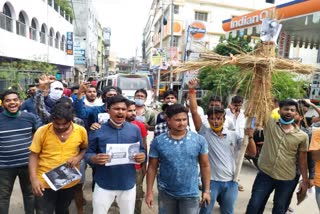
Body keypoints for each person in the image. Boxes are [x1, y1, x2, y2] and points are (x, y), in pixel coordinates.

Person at [187, 79, 256, 214]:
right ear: (208, 119)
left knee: (228, 211)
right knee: (205, 211)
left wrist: (251, 135)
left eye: (219, 118)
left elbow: (252, 153)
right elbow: (194, 111)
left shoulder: (233, 135)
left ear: (225, 119)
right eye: (212, 118)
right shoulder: (204, 132)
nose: (216, 121)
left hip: (231, 182)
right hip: (211, 182)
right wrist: (192, 90)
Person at [246, 99, 309, 214]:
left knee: (279, 209)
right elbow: (257, 111)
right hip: (265, 174)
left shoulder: (302, 136)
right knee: (254, 206)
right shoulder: (270, 123)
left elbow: (302, 159)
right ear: (279, 111)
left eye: (292, 110)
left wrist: (305, 181)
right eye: (286, 109)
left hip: (287, 179)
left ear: (295, 114)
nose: (289, 112)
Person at [85, 95, 146, 214]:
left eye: (123, 109)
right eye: (116, 109)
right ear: (107, 110)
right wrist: (94, 158)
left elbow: (142, 150)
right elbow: (88, 153)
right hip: (104, 183)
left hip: (127, 183)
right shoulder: (97, 130)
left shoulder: (134, 130)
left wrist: (142, 156)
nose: (120, 112)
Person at [145, 104, 211, 214]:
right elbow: (152, 167)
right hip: (166, 193)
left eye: (184, 119)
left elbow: (205, 165)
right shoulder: (158, 141)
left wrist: (206, 191)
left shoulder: (199, 140)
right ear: (168, 120)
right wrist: (149, 192)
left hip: (190, 194)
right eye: (178, 120)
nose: (182, 123)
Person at [29, 100, 88, 214]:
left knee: (63, 210)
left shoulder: (81, 131)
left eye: (64, 124)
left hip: (68, 181)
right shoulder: (42, 131)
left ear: (71, 120)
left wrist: (78, 158)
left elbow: (84, 148)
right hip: (44, 182)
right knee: (43, 211)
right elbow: (33, 155)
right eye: (57, 124)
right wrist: (34, 179)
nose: (60, 127)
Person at [0, 90, 38, 214]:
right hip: (4, 167)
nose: (12, 102)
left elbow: (37, 135)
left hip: (28, 165)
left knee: (30, 195)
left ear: (20, 102)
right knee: (3, 198)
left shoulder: (30, 118)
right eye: (8, 100)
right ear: (3, 104)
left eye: (15, 100)